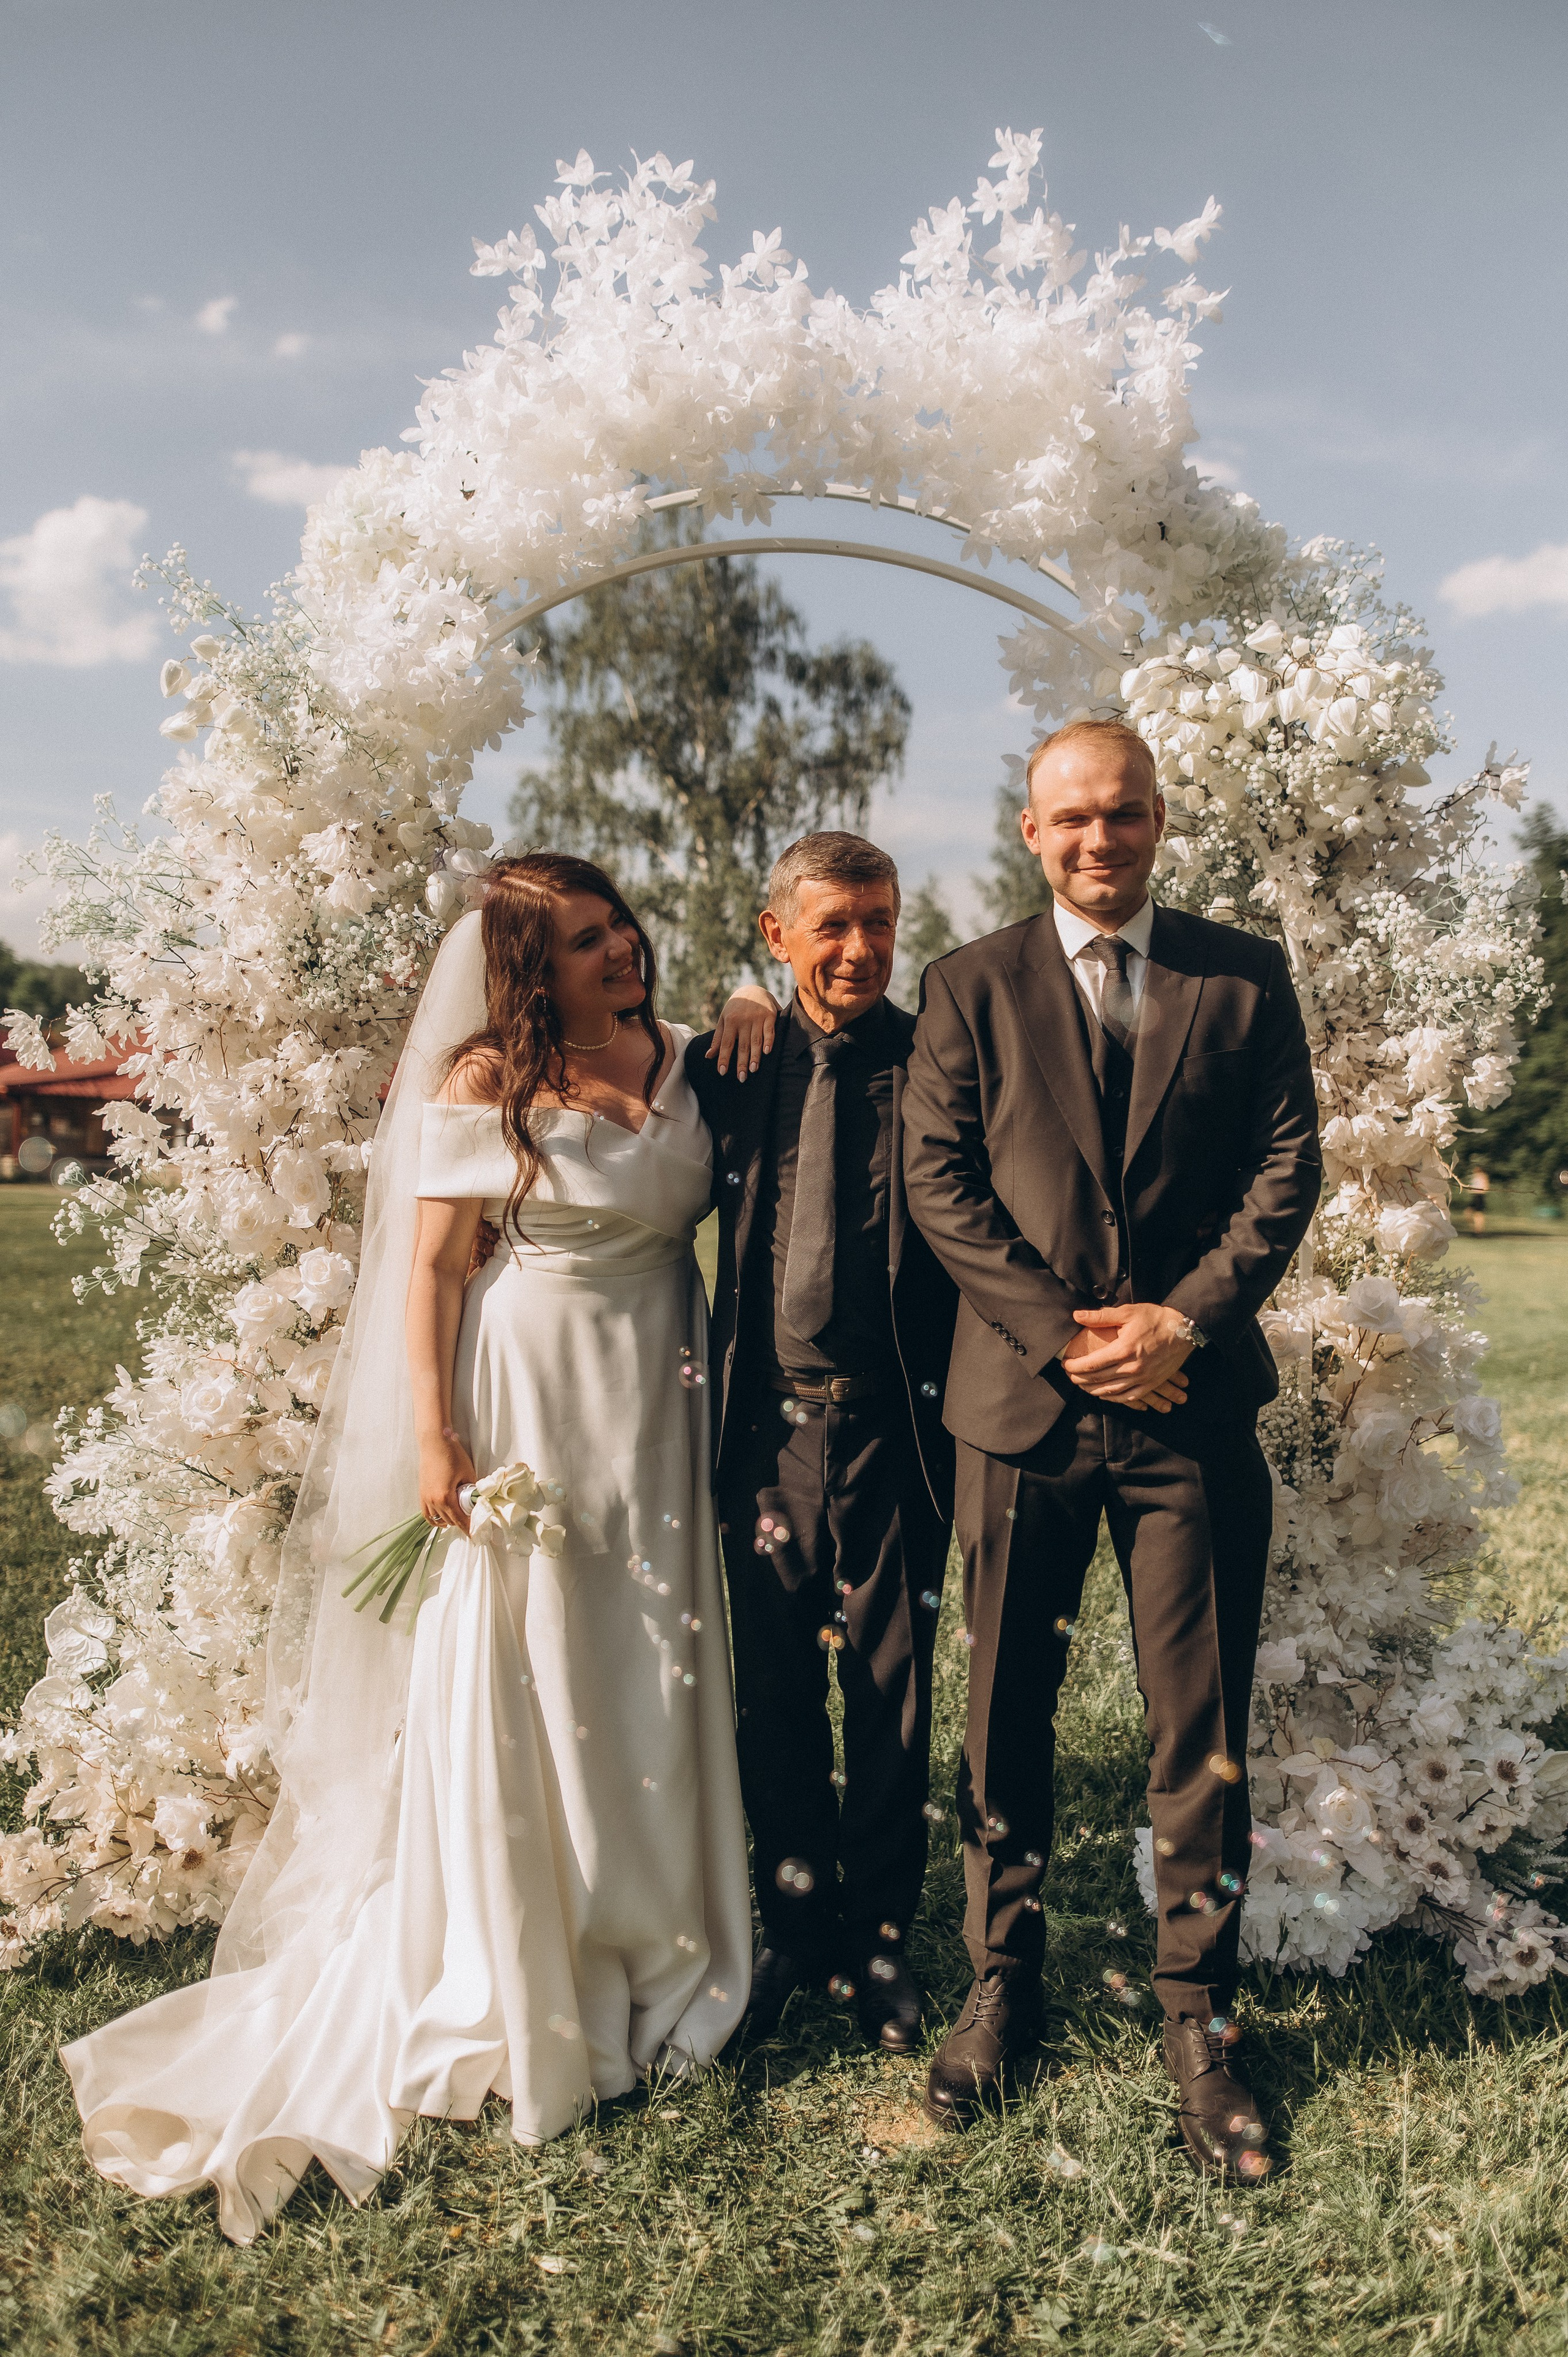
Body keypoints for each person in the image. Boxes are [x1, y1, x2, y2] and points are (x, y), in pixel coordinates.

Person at [62, 854, 773, 2244]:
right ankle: (531, 1956)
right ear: (530, 968)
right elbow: (437, 1269)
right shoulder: (481, 1084)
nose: (620, 950)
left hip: (663, 1392)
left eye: (619, 924)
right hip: (534, 1391)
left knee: (655, 1659)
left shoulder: (689, 1052)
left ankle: (658, 1935)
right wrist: (441, 1442)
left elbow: (784, 1042)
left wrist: (754, 989)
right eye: (584, 941)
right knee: (544, 1661)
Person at [902, 719, 1321, 2173]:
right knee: (1004, 1700)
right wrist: (1072, 1334)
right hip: (1018, 1410)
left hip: (1189, 1410)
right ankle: (998, 1978)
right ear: (1029, 830)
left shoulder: (1240, 974)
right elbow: (937, 1179)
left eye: (1124, 814)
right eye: (1071, 818)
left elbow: (1286, 1165)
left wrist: (1183, 1323)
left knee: (1192, 1728)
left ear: (1157, 819)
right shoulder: (964, 986)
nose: (1100, 839)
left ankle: (1197, 2013)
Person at [686, 833, 959, 2055]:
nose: (859, 949)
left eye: (881, 923)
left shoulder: (938, 1059)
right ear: (775, 931)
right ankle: (795, 1926)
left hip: (895, 1428)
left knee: (893, 1693)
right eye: (833, 924)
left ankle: (883, 1940)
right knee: (778, 1695)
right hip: (766, 1431)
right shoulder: (727, 1063)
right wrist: (733, 1003)